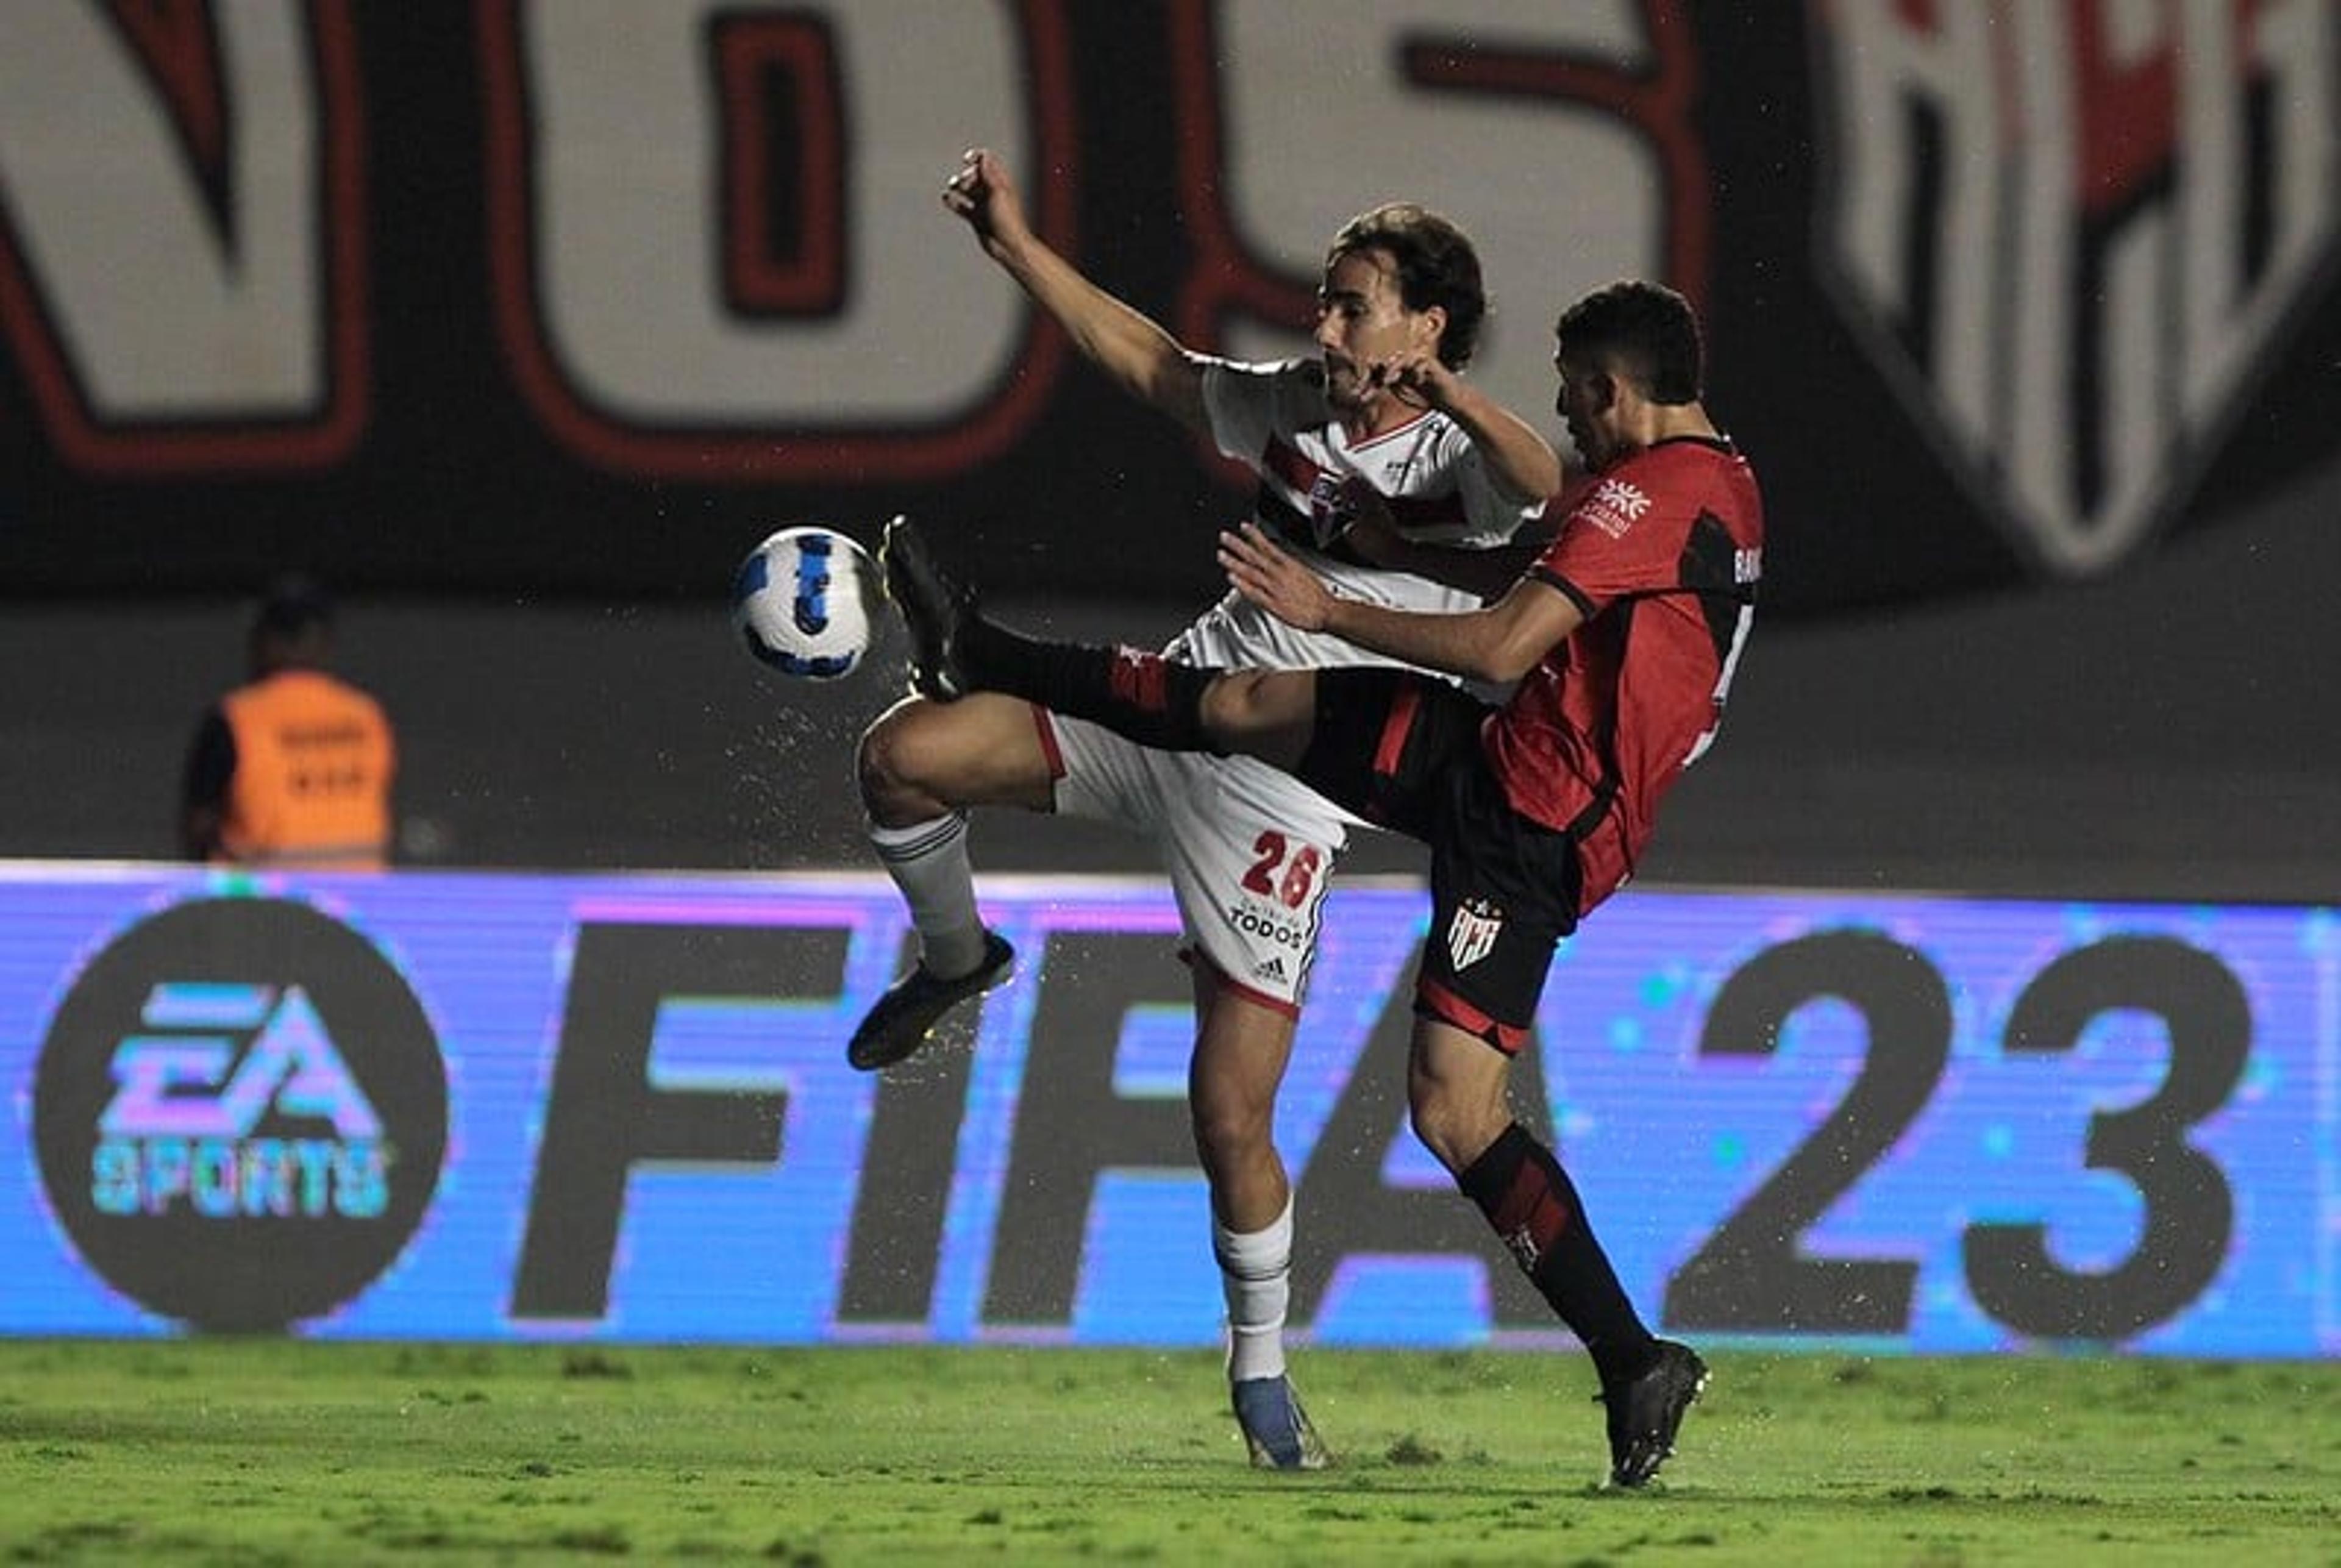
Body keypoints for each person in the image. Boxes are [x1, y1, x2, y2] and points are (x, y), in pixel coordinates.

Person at [880, 277, 1761, 1489]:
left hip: (1536, 825)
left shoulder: (1658, 491)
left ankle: (1632, 1357)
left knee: (1455, 1110)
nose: (1567, 424)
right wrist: (1395, 552)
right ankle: (977, 650)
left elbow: (1509, 639)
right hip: (1498, 757)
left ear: (1614, 391)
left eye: (1574, 402)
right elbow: (1547, 565)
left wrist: (1331, 600)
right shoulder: (1716, 479)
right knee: (1244, 703)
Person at [849, 148, 1562, 1469]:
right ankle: (959, 956)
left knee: (1228, 1117)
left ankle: (1264, 1376)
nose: (1327, 323)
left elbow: (1541, 487)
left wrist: (1453, 390)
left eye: (1355, 304)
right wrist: (1014, 244)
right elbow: (1158, 366)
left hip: (1284, 792)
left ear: (1427, 325)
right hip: (1169, 701)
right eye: (1329, 299)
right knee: (902, 756)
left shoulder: (1456, 452)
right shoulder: (1296, 401)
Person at [179, 574, 397, 869]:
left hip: (268, 902)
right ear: (324, 642)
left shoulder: (236, 718)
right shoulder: (366, 715)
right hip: (359, 900)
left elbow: (199, 827)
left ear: (264, 641)